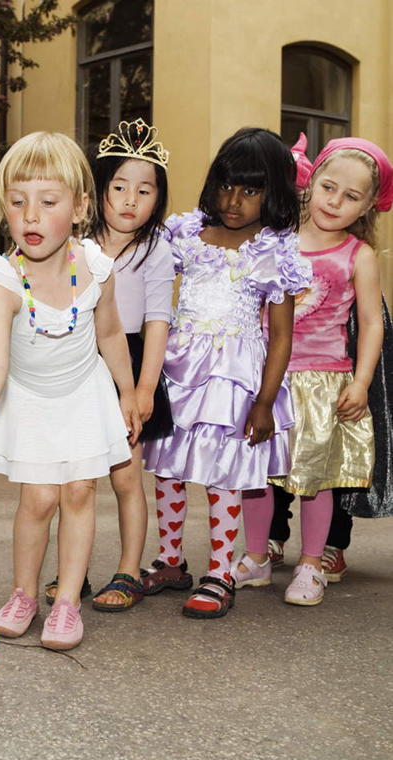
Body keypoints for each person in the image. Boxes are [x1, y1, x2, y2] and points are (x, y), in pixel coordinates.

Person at [0, 131, 141, 650]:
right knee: (40, 498)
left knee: (81, 492)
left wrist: (127, 392)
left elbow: (109, 334)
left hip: (84, 392)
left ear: (81, 206)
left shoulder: (94, 268)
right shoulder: (4, 279)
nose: (31, 216)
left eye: (48, 201)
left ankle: (66, 601)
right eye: (18, 203)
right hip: (33, 399)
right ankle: (24, 593)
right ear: (4, 210)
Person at [141, 127, 312, 619]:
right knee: (167, 468)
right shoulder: (185, 233)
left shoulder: (275, 250)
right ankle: (170, 560)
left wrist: (264, 400)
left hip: (235, 379)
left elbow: (281, 336)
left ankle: (220, 572)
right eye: (226, 186)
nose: (233, 201)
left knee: (225, 475)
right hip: (179, 370)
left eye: (251, 190)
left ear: (273, 193)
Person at [237, 133, 391, 605]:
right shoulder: (275, 241)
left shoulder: (358, 256)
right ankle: (257, 556)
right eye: (328, 187)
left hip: (324, 379)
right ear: (311, 183)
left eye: (350, 196)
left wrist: (361, 381)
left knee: (315, 479)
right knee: (256, 474)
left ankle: (310, 564)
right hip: (267, 379)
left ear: (366, 207)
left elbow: (370, 323)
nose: (335, 201)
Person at [43, 118, 174, 612]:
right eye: (119, 186)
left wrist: (143, 388)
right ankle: (70, 570)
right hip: (78, 357)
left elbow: (158, 322)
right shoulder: (77, 242)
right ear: (99, 189)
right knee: (75, 476)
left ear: (157, 198)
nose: (129, 200)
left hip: (133, 359)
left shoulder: (157, 249)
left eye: (144, 190)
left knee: (125, 474)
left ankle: (128, 568)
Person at [267, 295, 393, 580]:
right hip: (289, 316)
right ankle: (272, 534)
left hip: (341, 323)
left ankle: (333, 541)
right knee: (279, 435)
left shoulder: (354, 254)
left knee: (335, 439)